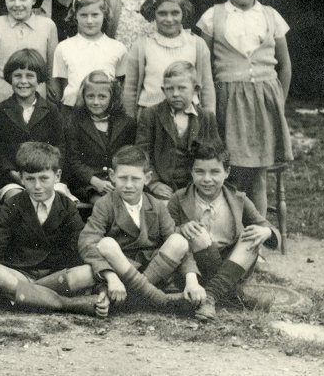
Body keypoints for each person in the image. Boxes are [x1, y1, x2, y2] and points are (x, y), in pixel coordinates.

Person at [196, 0, 293, 216]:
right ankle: (232, 235)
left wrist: (278, 101)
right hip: (228, 102)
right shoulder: (213, 16)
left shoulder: (271, 16)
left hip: (264, 103)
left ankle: (256, 241)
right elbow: (203, 64)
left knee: (259, 177)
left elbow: (284, 65)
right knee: (233, 175)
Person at [0, 142, 107, 317]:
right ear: (21, 178)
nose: (37, 186)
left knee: (88, 273)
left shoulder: (67, 206)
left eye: (44, 178)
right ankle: (65, 304)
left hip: (55, 276)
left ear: (57, 176)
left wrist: (100, 285)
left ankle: (26, 298)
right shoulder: (13, 204)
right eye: (30, 179)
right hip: (22, 273)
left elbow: (80, 244)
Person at [78, 145, 204, 312]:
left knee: (179, 241)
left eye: (135, 179)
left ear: (147, 178)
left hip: (153, 271)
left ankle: (133, 298)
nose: (129, 185)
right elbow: (87, 242)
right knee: (106, 244)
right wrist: (111, 276)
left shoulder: (157, 205)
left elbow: (180, 248)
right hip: (122, 268)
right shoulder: (105, 204)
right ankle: (160, 300)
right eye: (123, 178)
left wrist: (192, 280)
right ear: (112, 176)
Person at [169, 142, 279, 321]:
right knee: (197, 232)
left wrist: (266, 232)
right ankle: (228, 296)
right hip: (195, 269)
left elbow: (268, 227)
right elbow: (164, 235)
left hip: (231, 265)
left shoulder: (239, 199)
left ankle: (210, 296)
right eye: (200, 172)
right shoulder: (178, 199)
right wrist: (181, 229)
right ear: (191, 172)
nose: (206, 179)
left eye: (214, 172)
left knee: (252, 235)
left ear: (226, 172)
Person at [122, 0, 215, 118]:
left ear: (183, 13)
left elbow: (206, 87)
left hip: (189, 116)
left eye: (175, 13)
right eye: (162, 13)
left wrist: (209, 120)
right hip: (151, 117)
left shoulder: (196, 44)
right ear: (153, 13)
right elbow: (130, 89)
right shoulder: (142, 46)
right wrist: (130, 122)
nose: (169, 19)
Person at [135, 61, 221, 199]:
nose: (175, 94)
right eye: (169, 89)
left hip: (195, 185)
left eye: (182, 88)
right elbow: (142, 153)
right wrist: (154, 183)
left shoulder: (206, 117)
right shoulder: (150, 115)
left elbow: (215, 154)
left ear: (196, 90)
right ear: (163, 90)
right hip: (162, 186)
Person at [0, 49, 64, 204]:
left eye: (30, 76)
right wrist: (13, 173)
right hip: (12, 178)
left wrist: (46, 175)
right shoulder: (0, 110)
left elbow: (59, 146)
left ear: (39, 79)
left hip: (44, 177)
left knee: (57, 200)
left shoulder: (51, 110)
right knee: (17, 201)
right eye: (18, 76)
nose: (23, 81)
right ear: (10, 78)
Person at [52, 0, 127, 115]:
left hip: (106, 113)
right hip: (72, 113)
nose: (89, 21)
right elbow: (64, 87)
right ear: (75, 15)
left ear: (104, 14)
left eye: (95, 15)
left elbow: (120, 87)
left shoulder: (117, 48)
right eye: (84, 15)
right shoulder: (63, 48)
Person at [65, 71, 137, 204]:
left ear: (112, 97)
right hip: (87, 184)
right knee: (106, 204)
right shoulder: (74, 122)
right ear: (83, 96)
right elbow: (73, 160)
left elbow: (130, 156)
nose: (96, 102)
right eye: (90, 96)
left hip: (117, 181)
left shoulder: (126, 122)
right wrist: (94, 181)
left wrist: (118, 180)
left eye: (102, 97)